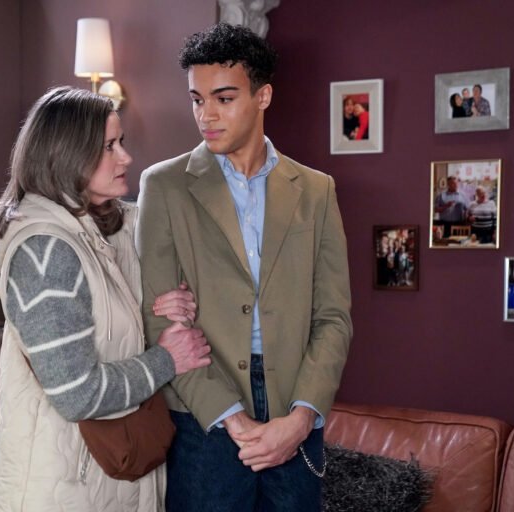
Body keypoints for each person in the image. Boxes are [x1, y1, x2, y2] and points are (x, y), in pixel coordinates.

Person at [136, 23, 352, 512]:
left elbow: (333, 317)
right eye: (197, 99)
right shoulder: (164, 186)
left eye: (224, 98)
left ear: (263, 96)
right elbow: (160, 320)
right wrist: (232, 419)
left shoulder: (316, 190)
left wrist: (301, 418)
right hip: (203, 414)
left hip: (295, 409)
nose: (206, 114)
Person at [0, 86, 213, 511]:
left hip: (112, 482)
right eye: (109, 146)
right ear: (65, 154)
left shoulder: (108, 227)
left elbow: (122, 311)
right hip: (64, 491)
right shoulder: (45, 252)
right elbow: (77, 393)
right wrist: (167, 359)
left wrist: (163, 300)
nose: (125, 157)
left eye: (121, 142)